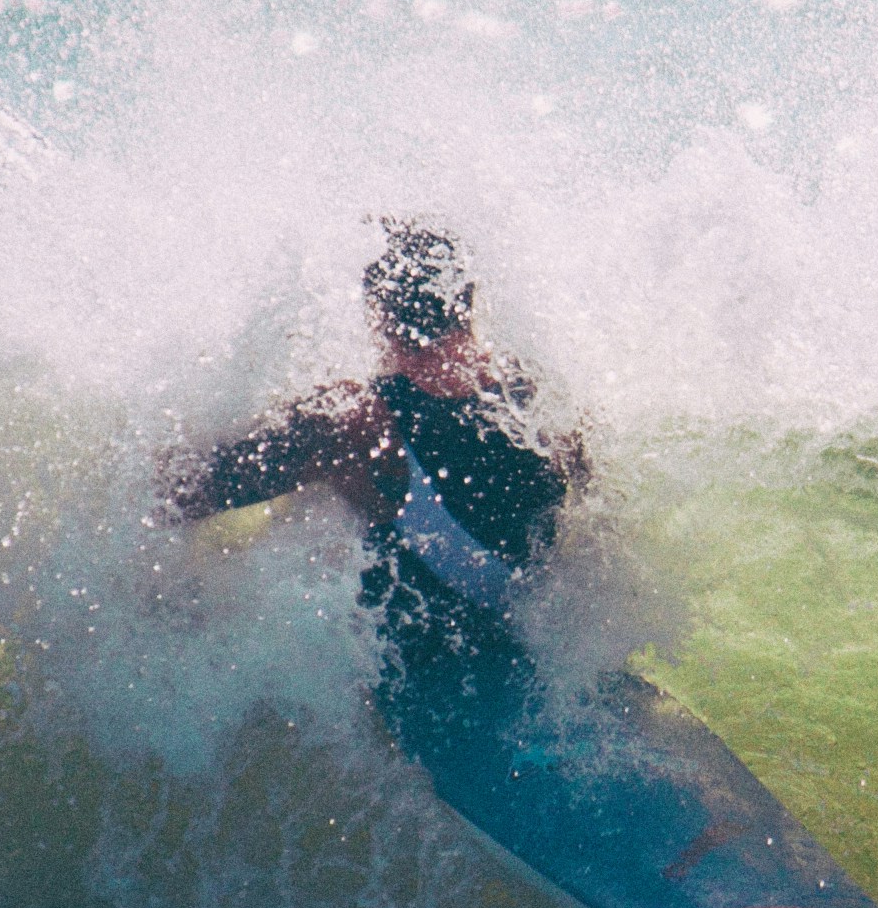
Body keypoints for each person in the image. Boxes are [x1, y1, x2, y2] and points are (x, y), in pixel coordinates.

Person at [163, 224, 583, 630]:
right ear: (469, 305)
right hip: (543, 658)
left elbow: (183, 494)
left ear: (379, 316)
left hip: (415, 679)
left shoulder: (355, 419)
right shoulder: (545, 400)